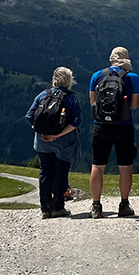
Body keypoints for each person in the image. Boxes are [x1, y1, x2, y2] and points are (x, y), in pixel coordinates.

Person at [88, 46, 139, 219]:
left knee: (97, 165)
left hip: (101, 125)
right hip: (124, 126)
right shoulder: (133, 77)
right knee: (125, 166)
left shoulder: (97, 76)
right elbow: (134, 106)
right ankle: (124, 204)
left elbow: (93, 104)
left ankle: (96, 206)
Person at [25, 66, 82, 219]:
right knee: (60, 174)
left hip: (42, 143)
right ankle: (58, 207)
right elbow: (76, 121)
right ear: (69, 80)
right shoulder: (71, 98)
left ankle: (45, 208)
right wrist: (57, 135)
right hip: (63, 144)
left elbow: (30, 116)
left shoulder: (43, 95)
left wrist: (43, 132)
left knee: (45, 173)